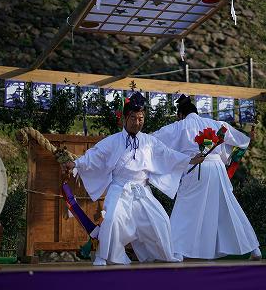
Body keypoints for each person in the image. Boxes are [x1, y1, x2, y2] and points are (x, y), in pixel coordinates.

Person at [62, 92, 204, 266]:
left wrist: (189, 159)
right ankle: (107, 256)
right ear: (124, 118)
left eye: (141, 118)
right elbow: (94, 156)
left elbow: (167, 155)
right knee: (113, 221)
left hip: (142, 190)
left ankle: (162, 255)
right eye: (134, 118)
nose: (138, 122)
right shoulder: (113, 141)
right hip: (120, 190)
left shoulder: (149, 141)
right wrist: (76, 164)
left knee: (160, 221)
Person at [152, 95, 262, 260]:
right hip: (217, 168)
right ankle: (255, 249)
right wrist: (247, 137)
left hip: (197, 167)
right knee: (229, 207)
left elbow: (153, 140)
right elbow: (238, 139)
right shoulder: (215, 124)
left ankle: (177, 251)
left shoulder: (179, 126)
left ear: (180, 114)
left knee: (185, 207)